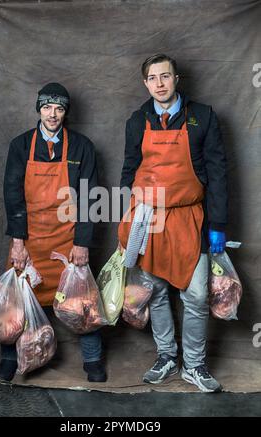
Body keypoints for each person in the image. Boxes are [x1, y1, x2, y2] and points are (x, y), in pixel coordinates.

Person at [118, 54, 228, 393]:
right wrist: (125, 219)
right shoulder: (137, 121)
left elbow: (218, 175)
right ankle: (167, 356)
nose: (160, 84)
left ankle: (193, 365)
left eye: (165, 76)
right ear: (145, 83)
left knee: (195, 295)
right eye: (153, 78)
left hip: (189, 218)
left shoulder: (203, 116)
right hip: (148, 219)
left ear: (177, 79)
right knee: (157, 292)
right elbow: (129, 170)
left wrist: (218, 225)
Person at [0, 82, 106, 383]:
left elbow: (90, 197)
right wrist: (18, 243)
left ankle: (93, 361)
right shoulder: (21, 145)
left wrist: (82, 243)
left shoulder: (82, 147)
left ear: (65, 112)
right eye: (46, 107)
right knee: (15, 303)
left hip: (67, 239)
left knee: (82, 303)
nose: (52, 114)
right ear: (38, 110)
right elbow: (13, 195)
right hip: (28, 238)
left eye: (58, 108)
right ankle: (8, 359)